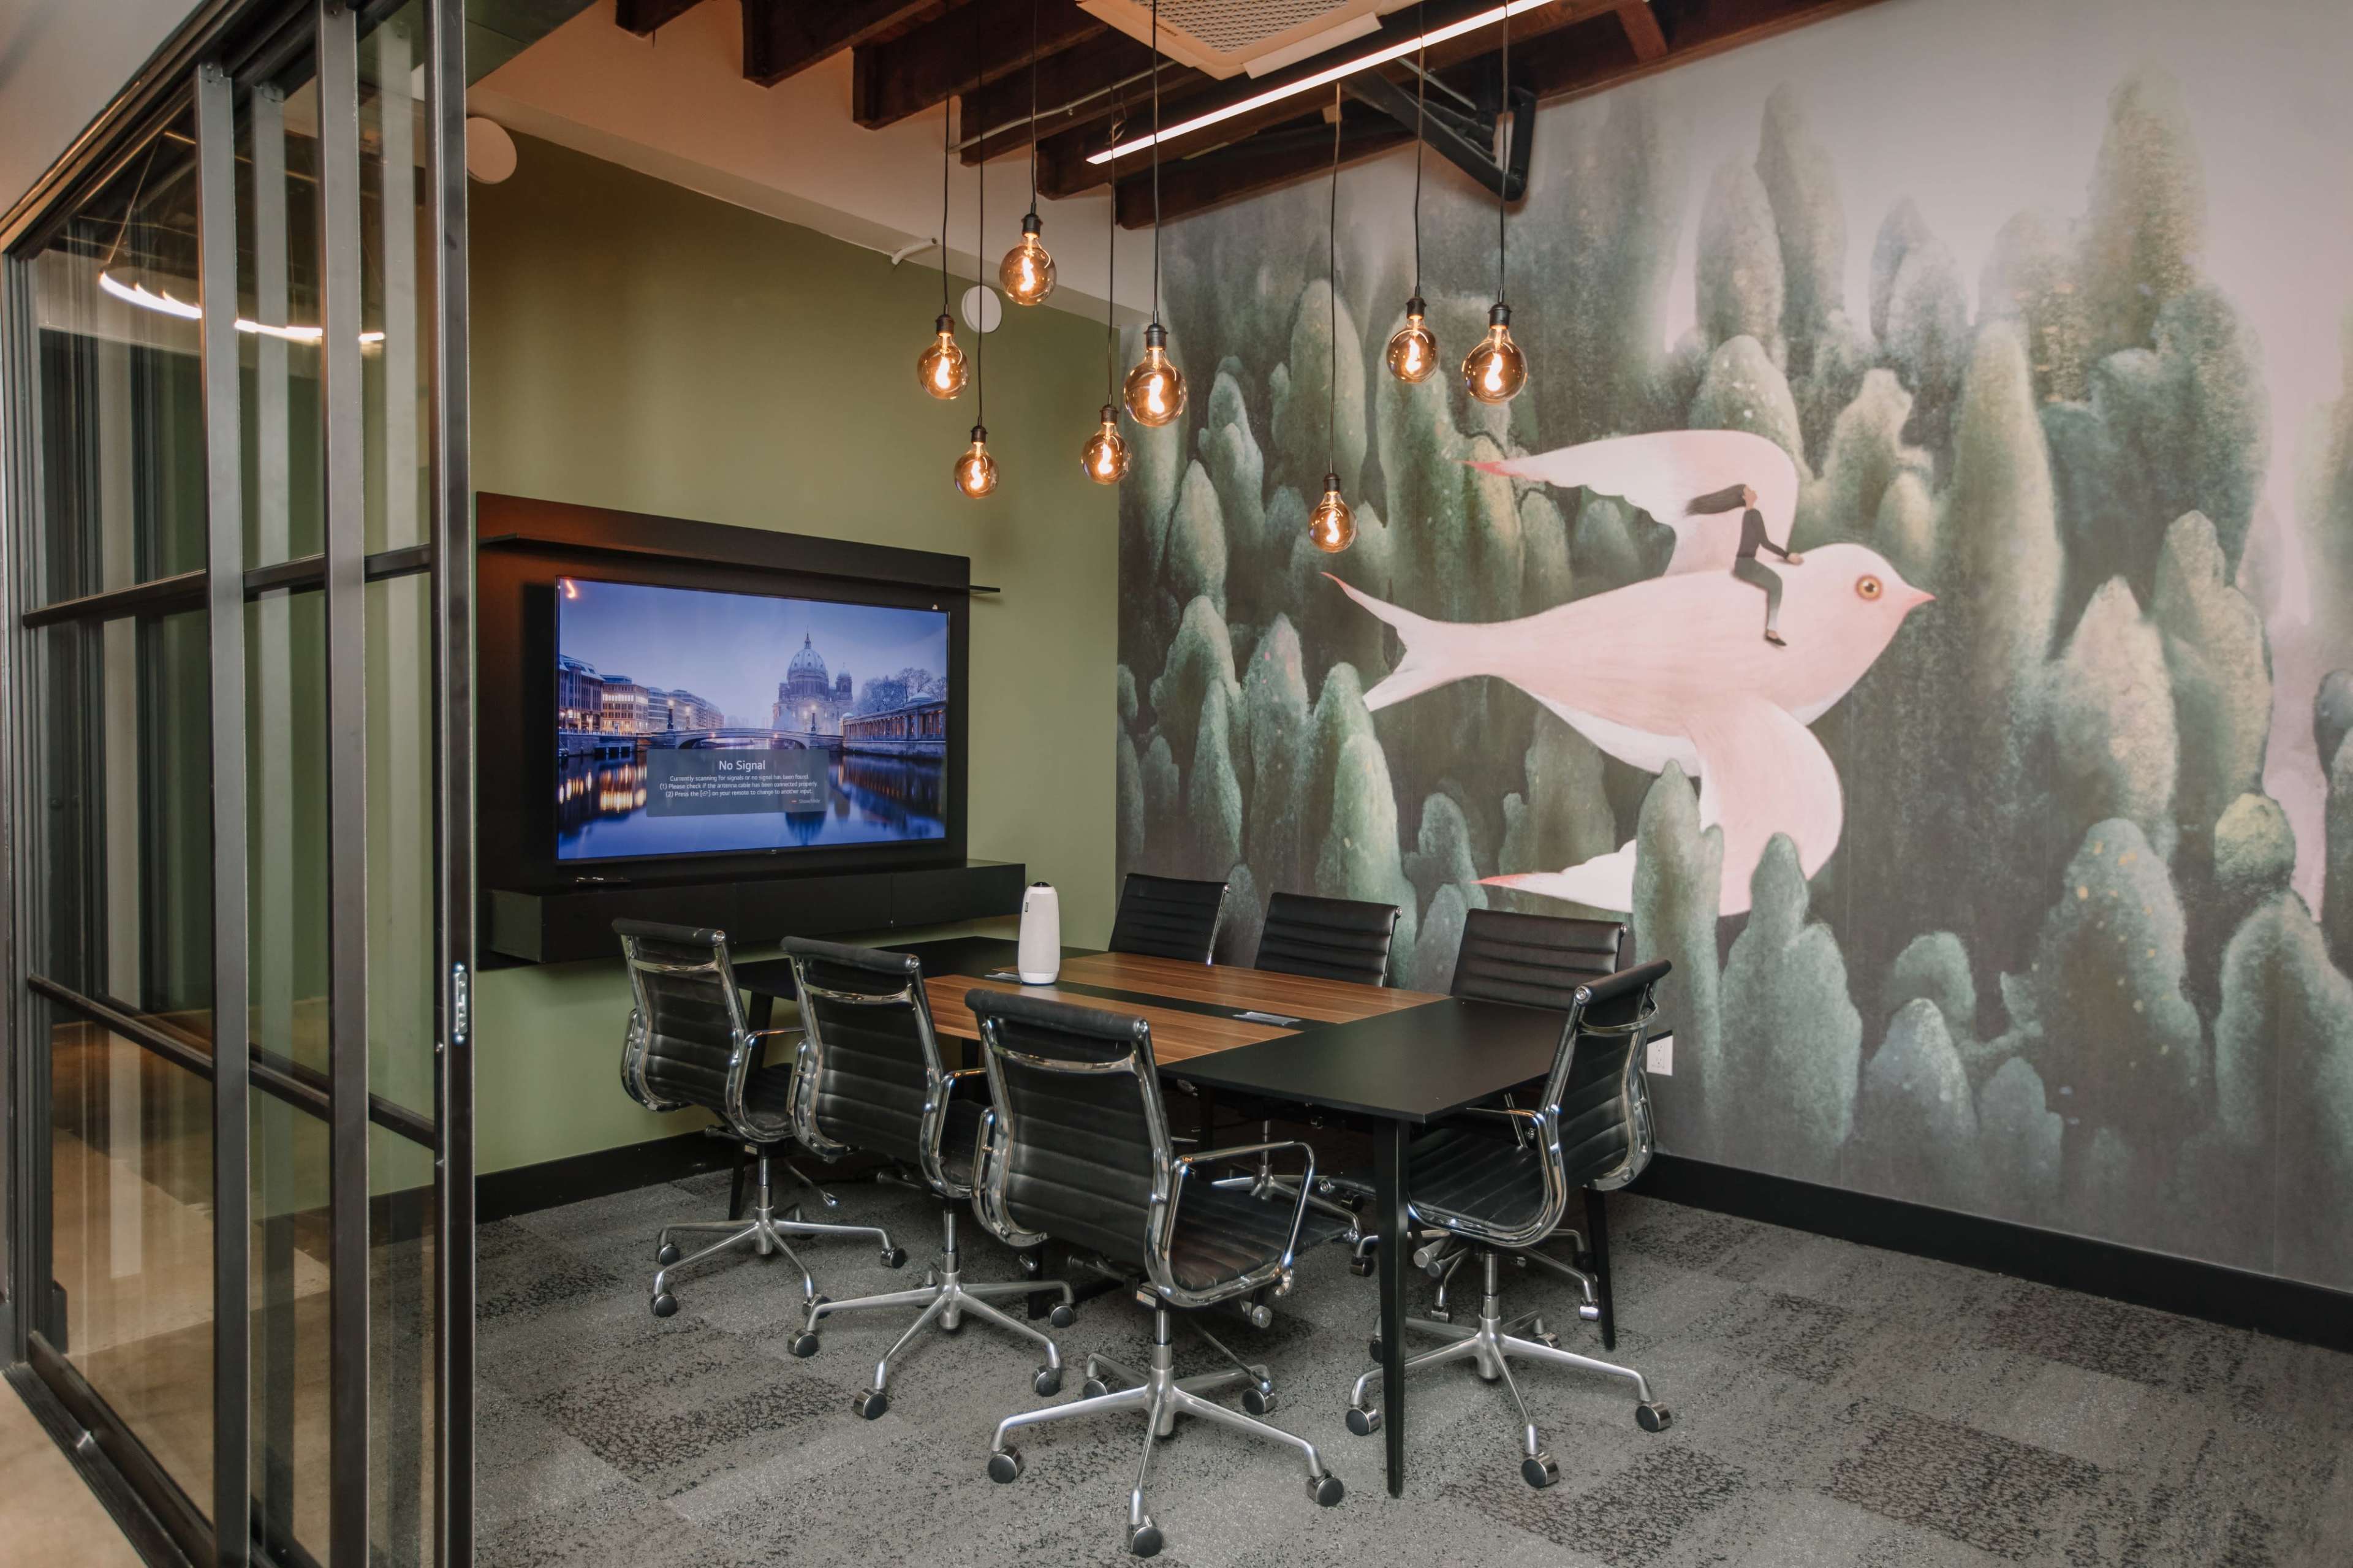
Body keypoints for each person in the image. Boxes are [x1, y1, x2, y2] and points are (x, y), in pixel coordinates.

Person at [1686, 482, 1803, 646]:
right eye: (1749, 491)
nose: (1754, 491)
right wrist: (1787, 555)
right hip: (1746, 565)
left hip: (1744, 563)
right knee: (1777, 583)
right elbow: (1765, 543)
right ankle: (1772, 631)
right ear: (1744, 497)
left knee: (1773, 582)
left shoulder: (1749, 515)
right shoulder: (1754, 515)